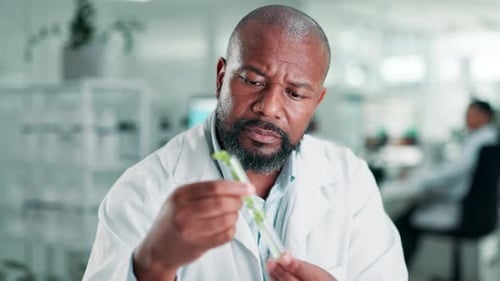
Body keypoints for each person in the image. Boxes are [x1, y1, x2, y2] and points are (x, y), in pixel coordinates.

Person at [83, 5, 407, 281]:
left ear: (317, 102)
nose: (269, 107)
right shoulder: (143, 189)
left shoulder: (349, 178)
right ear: (221, 76)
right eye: (253, 81)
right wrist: (154, 263)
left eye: (295, 93)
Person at [395, 99, 498, 266]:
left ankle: (399, 271)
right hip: (475, 212)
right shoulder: (488, 140)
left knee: (404, 220)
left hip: (464, 214)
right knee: (410, 213)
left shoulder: (481, 142)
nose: (465, 118)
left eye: (469, 114)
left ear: (483, 115)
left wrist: (420, 177)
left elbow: (452, 174)